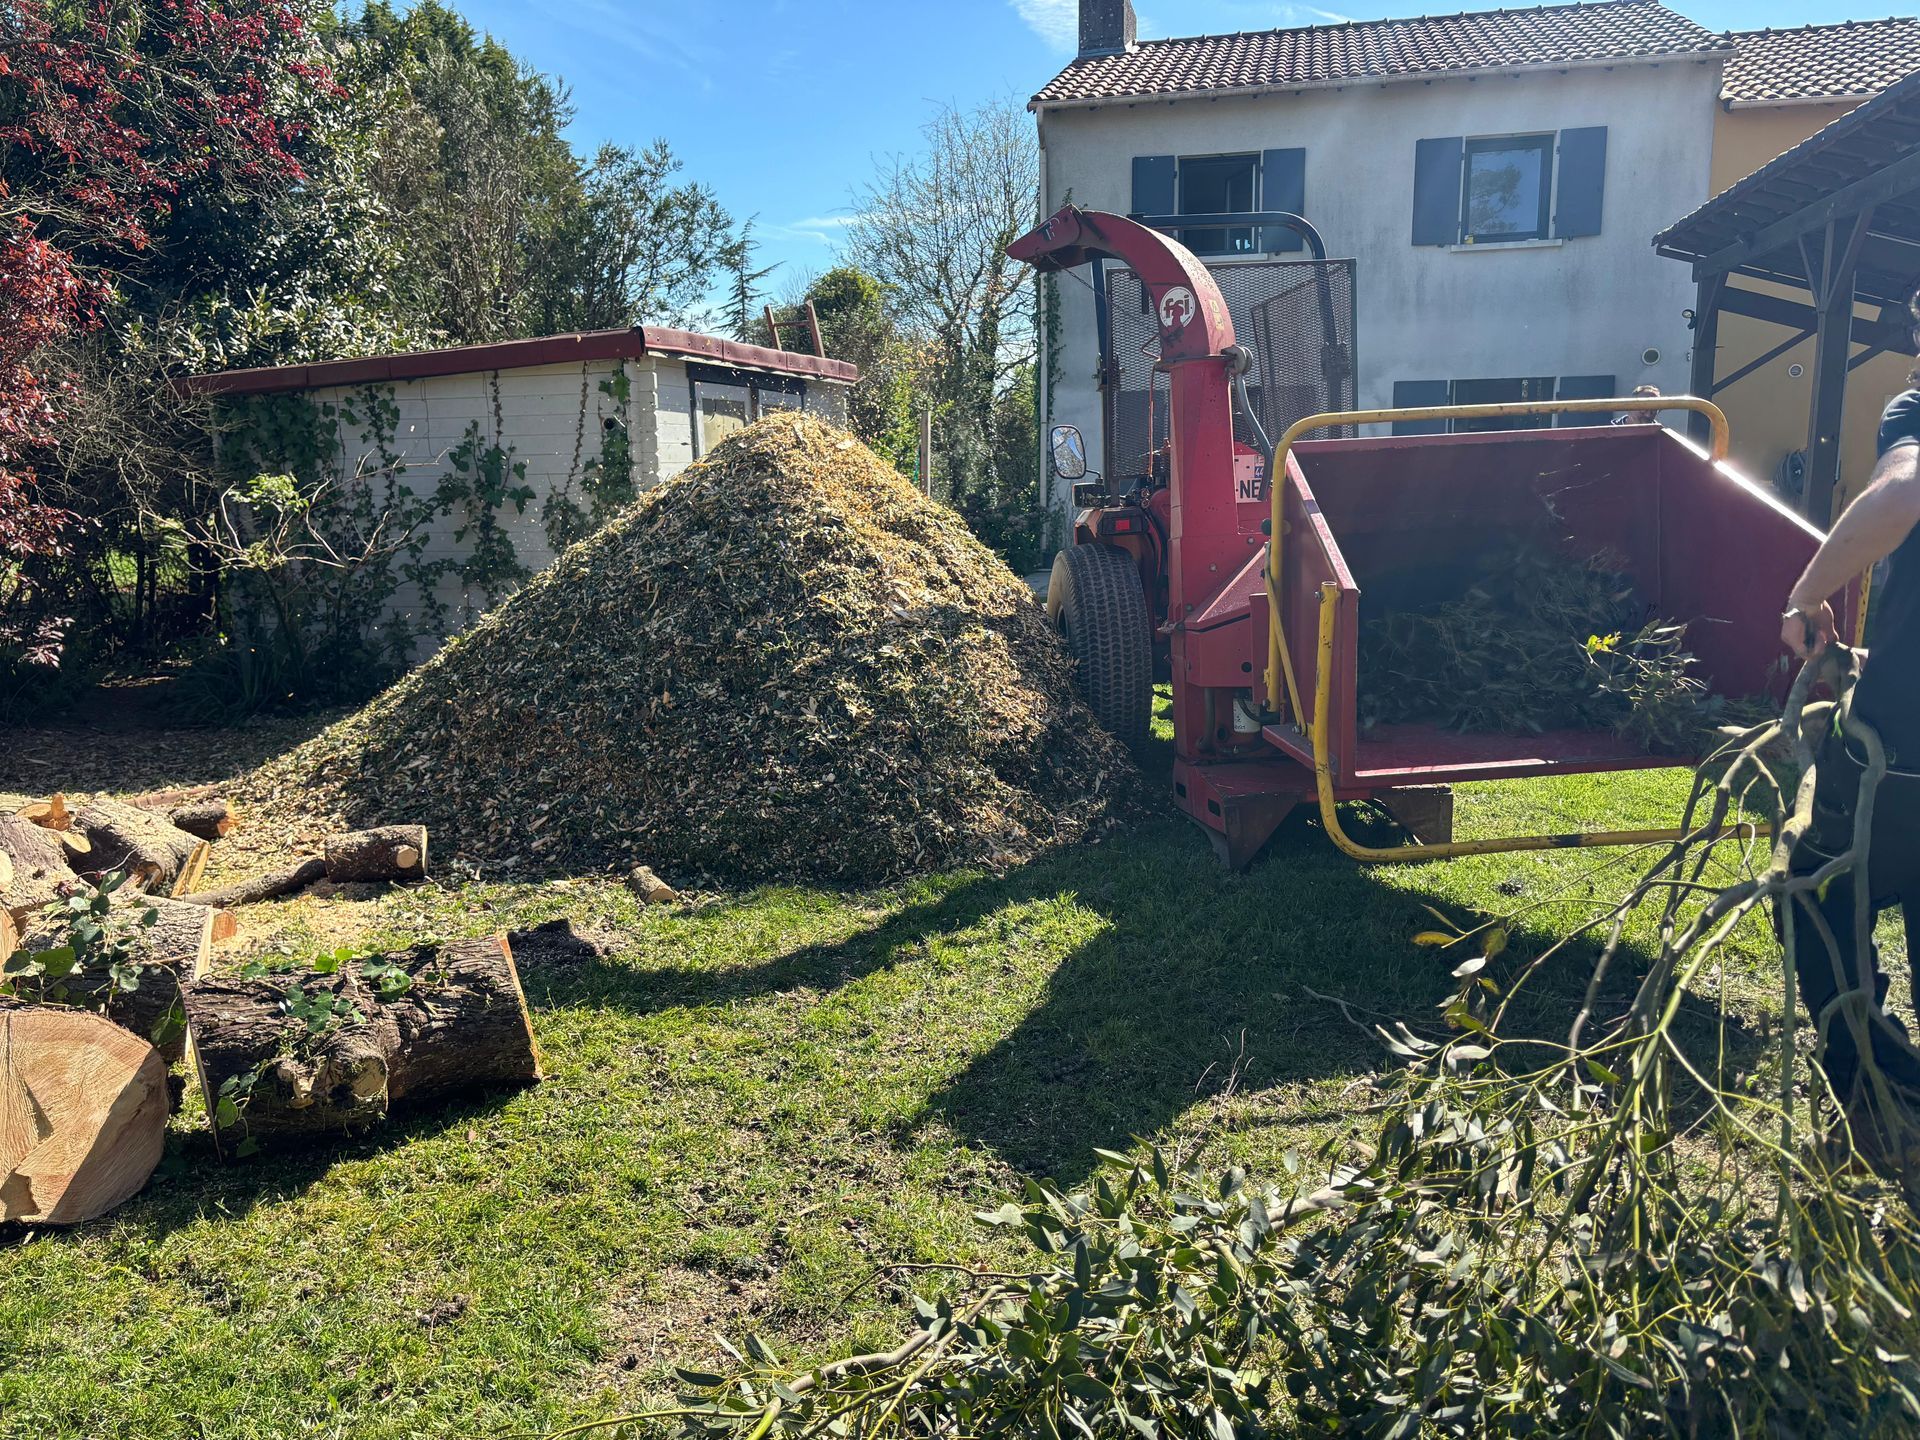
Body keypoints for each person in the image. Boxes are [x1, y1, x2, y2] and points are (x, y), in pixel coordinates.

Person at [1779, 315, 1920, 1135]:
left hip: (1902, 749)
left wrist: (1805, 597)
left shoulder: (1915, 411)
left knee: (1817, 887)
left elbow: (1904, 493)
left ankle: (1870, 1076)